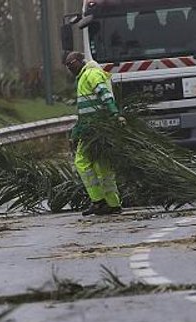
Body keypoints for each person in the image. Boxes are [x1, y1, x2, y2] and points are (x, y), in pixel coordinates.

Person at [64, 52, 124, 216]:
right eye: (67, 66)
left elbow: (105, 94)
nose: (69, 68)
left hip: (95, 129)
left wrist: (114, 114)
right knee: (102, 166)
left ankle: (98, 201)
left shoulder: (91, 74)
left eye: (71, 64)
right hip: (94, 128)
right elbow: (85, 110)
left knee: (81, 162)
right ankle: (113, 203)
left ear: (80, 61)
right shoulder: (84, 76)